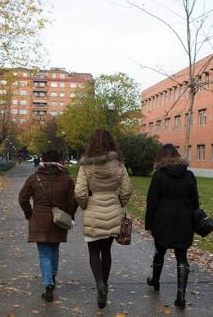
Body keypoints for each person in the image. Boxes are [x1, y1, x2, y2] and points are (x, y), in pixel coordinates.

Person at [74, 129, 132, 309]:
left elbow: (79, 192)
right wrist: (120, 202)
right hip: (113, 209)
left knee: (93, 253)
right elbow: (127, 190)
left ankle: (99, 284)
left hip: (94, 210)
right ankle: (104, 284)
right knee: (106, 252)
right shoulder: (119, 165)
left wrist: (85, 205)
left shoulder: (86, 166)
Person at [145, 144, 199, 310]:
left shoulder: (159, 176)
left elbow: (151, 201)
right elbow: (195, 200)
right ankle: (181, 295)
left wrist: (149, 223)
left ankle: (155, 280)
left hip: (163, 220)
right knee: (182, 256)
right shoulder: (189, 175)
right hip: (184, 220)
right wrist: (195, 219)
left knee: (159, 251)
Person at [18, 150, 78, 302]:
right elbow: (73, 200)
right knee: (54, 249)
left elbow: (22, 198)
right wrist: (69, 216)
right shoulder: (66, 179)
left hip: (39, 219)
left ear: (43, 160)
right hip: (58, 220)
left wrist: (29, 213)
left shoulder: (35, 178)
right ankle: (52, 277)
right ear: (58, 160)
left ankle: (48, 286)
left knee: (44, 253)